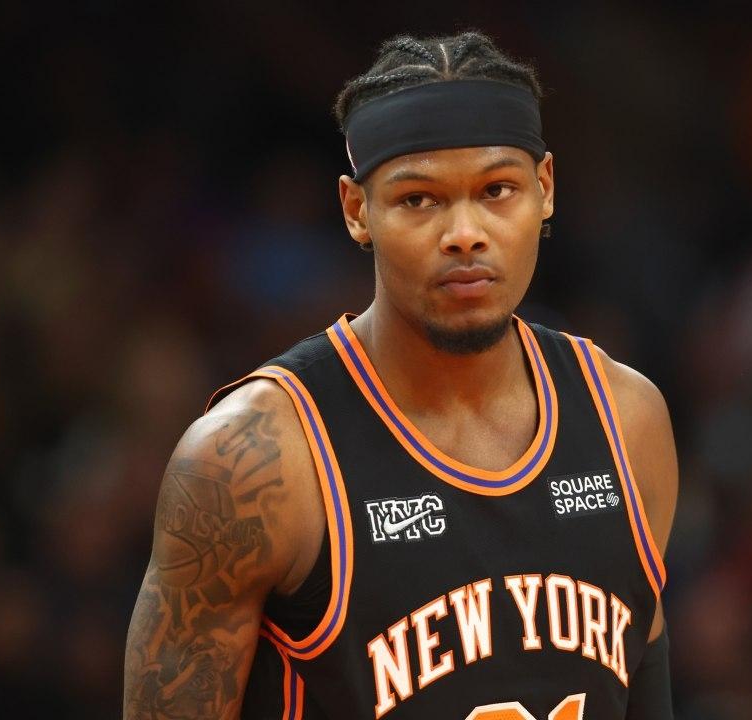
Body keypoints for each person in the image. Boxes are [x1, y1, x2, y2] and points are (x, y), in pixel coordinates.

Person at [123, 31, 678, 720]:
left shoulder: (627, 417)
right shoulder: (254, 458)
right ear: (358, 211)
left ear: (546, 190)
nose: (465, 233)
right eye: (419, 200)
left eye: (497, 190)